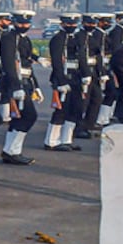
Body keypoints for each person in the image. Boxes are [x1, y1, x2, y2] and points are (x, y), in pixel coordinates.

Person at [0, 10, 48, 165]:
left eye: (26, 23)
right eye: (21, 23)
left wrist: (36, 87)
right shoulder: (9, 38)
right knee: (29, 116)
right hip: (15, 83)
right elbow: (9, 63)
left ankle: (11, 151)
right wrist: (15, 86)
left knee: (19, 118)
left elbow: (26, 63)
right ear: (14, 22)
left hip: (26, 81)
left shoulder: (25, 39)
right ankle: (12, 151)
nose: (24, 26)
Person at [44, 13, 82, 151]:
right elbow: (56, 62)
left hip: (76, 77)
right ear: (62, 24)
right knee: (61, 110)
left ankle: (66, 139)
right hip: (63, 77)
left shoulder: (76, 38)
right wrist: (60, 81)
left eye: (73, 24)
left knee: (75, 109)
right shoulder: (58, 39)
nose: (71, 26)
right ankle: (51, 141)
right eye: (68, 24)